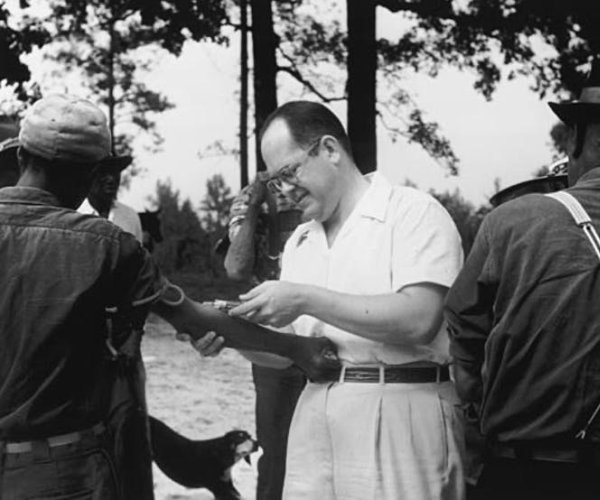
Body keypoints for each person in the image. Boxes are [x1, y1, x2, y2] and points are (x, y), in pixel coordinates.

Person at [0, 94, 340, 499]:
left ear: (21, 156)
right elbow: (192, 318)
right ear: (92, 173)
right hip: (63, 469)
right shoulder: (107, 245)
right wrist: (299, 349)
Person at [203, 100, 466, 499]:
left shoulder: (411, 212)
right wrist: (233, 336)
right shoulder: (301, 242)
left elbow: (420, 318)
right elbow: (286, 353)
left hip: (403, 411)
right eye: (275, 182)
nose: (284, 192)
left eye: (289, 173)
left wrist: (305, 298)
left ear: (329, 150)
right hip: (315, 418)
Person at [445, 59, 600, 500]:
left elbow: (463, 332)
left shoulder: (509, 223)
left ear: (574, 138)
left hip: (522, 479)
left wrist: (482, 405)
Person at [224, 176, 306, 500]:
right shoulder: (254, 197)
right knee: (275, 453)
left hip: (327, 331)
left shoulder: (322, 186)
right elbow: (236, 267)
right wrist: (257, 206)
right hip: (274, 338)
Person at [78, 153, 143, 242]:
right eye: (103, 172)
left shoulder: (130, 217)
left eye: (115, 171)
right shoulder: (76, 216)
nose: (111, 179)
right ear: (89, 175)